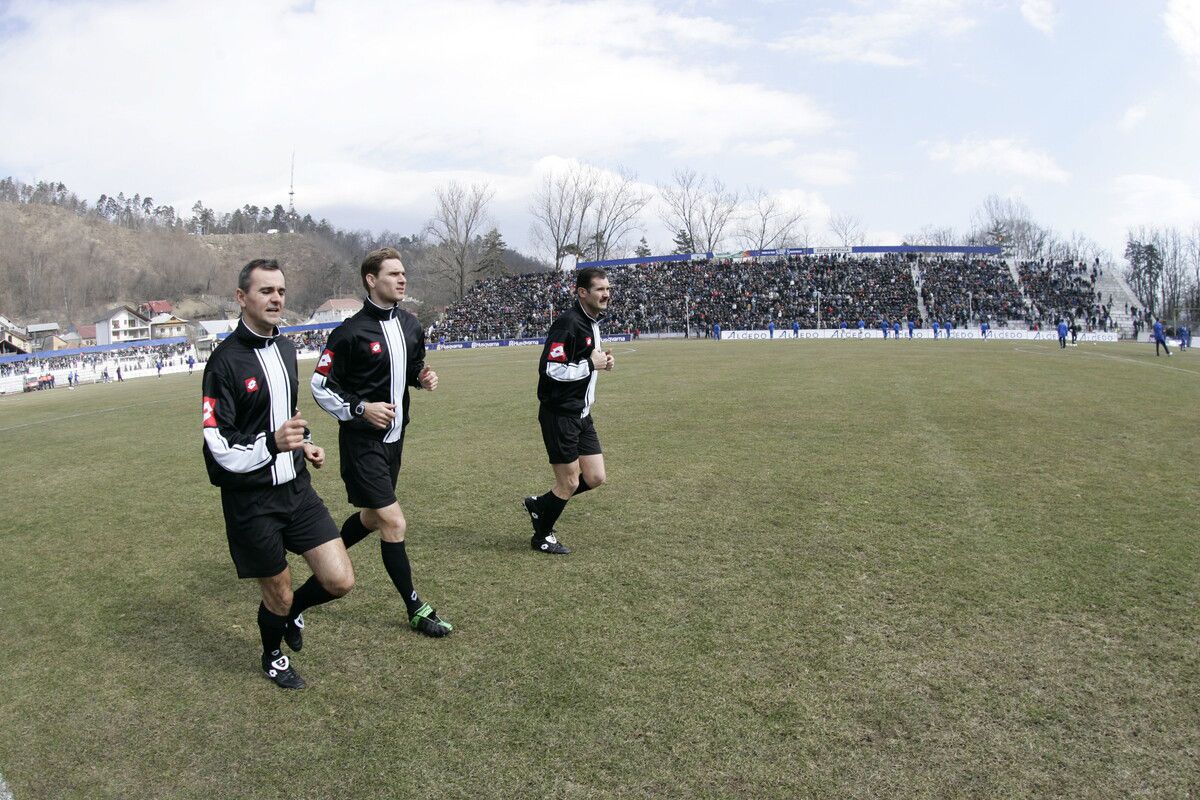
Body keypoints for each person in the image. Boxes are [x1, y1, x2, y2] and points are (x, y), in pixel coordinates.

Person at [202, 258, 354, 690]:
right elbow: (218, 444)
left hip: (297, 490)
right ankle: (272, 655)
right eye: (265, 291)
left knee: (339, 580)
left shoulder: (286, 349)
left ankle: (292, 613)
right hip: (251, 501)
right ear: (241, 297)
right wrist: (272, 443)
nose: (276, 299)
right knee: (278, 593)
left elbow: (287, 415)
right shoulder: (223, 363)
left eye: (281, 291)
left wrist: (305, 443)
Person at [311, 248, 452, 637]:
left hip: (395, 441)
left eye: (403, 273)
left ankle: (323, 556)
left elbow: (411, 367)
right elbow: (320, 385)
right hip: (362, 445)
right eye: (393, 274)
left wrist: (421, 377)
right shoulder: (349, 333)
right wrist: (360, 409)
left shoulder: (410, 324)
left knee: (373, 518)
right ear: (371, 280)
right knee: (393, 521)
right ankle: (415, 607)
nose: (402, 279)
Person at [522, 267, 613, 555]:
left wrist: (602, 361)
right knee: (570, 481)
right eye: (600, 289)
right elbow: (551, 369)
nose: (606, 294)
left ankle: (541, 504)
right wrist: (591, 365)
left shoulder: (592, 322)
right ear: (582, 292)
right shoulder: (568, 323)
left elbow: (585, 360)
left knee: (595, 477)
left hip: (582, 414)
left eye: (607, 289)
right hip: (560, 414)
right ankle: (542, 535)